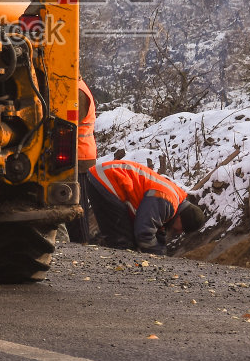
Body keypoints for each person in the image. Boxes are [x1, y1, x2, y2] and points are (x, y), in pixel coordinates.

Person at [81, 158, 205, 254]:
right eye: (182, 228)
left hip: (104, 177)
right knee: (123, 242)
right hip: (107, 180)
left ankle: (100, 247)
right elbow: (144, 233)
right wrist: (157, 255)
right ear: (181, 218)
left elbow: (155, 229)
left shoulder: (172, 203)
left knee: (122, 236)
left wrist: (160, 250)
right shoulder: (166, 201)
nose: (178, 232)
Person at [65, 79, 99, 243]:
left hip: (80, 155)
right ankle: (80, 239)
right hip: (81, 153)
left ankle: (81, 241)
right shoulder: (77, 87)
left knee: (77, 201)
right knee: (77, 199)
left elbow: (69, 123)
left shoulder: (77, 91)